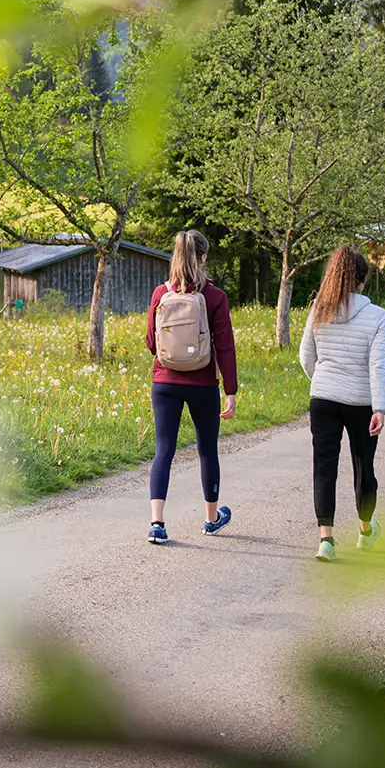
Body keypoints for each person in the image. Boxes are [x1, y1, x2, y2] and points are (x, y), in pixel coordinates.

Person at [142, 230, 239, 545]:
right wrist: (231, 390)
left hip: (164, 381)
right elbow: (224, 347)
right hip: (202, 383)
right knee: (207, 450)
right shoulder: (215, 296)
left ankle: (157, 523)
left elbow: (151, 343)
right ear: (203, 257)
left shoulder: (160, 293)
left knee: (164, 450)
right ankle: (211, 520)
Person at [296, 246, 385, 562]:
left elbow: (306, 357)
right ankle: (365, 531)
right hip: (361, 401)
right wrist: (380, 407)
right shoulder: (378, 316)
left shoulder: (318, 309)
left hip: (322, 398)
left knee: (324, 466)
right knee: (364, 465)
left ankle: (326, 541)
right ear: (362, 281)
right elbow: (377, 365)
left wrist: (321, 382)